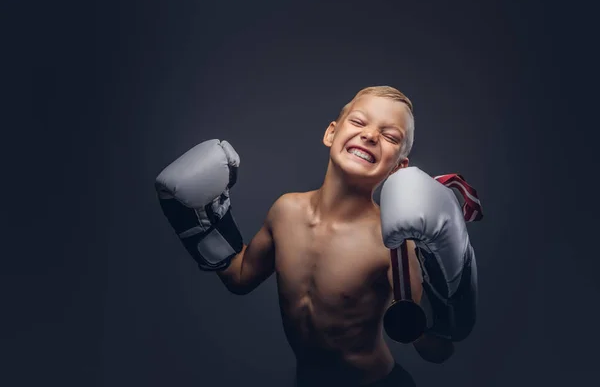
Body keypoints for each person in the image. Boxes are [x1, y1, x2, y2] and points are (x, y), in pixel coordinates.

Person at [155, 86, 479, 387]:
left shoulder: (392, 243)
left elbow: (435, 351)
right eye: (358, 121)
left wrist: (451, 288)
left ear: (399, 167)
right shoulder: (286, 211)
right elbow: (240, 277)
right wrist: (205, 223)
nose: (369, 135)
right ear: (331, 133)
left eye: (389, 136)